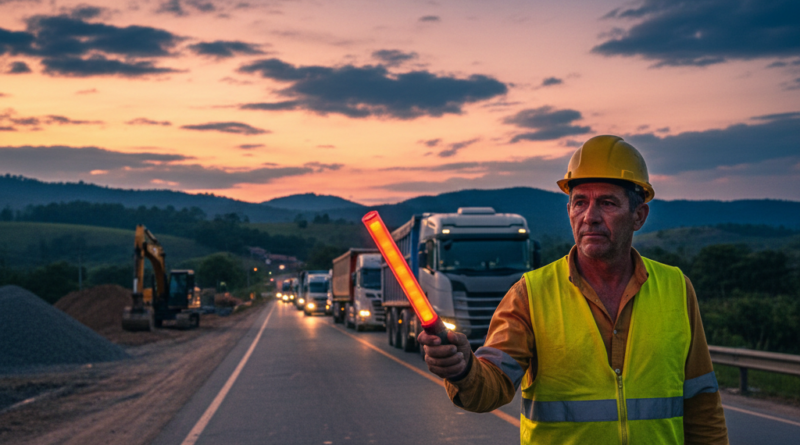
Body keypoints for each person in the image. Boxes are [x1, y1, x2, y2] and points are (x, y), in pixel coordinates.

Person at [418, 135, 729, 444]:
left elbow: (702, 405)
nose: (590, 217)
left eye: (607, 203)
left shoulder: (676, 288)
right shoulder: (530, 294)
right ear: (569, 210)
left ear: (639, 215)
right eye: (580, 202)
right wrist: (462, 369)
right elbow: (490, 387)